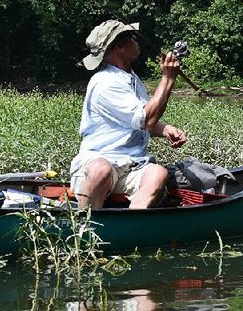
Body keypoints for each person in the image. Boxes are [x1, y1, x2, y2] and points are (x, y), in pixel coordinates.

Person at [70, 20, 187, 209]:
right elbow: (146, 117)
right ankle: (85, 227)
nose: (136, 41)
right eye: (132, 38)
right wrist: (167, 78)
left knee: (157, 173)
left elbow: (142, 122)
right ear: (119, 46)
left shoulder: (131, 79)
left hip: (132, 165)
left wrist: (166, 129)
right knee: (102, 170)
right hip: (97, 164)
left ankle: (131, 226)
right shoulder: (105, 82)